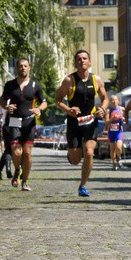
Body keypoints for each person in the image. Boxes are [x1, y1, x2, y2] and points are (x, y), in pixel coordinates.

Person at [55, 49, 108, 197]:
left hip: (90, 121)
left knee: (90, 152)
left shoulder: (96, 80)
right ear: (76, 63)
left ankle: (83, 185)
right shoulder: (69, 80)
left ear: (89, 61)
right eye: (79, 59)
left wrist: (102, 109)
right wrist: (68, 109)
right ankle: (72, 154)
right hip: (74, 122)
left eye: (85, 58)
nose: (82, 61)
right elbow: (58, 100)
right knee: (75, 160)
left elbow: (105, 98)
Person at [0, 58, 47, 191]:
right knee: (16, 151)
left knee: (27, 153)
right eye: (20, 66)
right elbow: (2, 99)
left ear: (29, 68)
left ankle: (25, 181)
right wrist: (6, 106)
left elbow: (44, 102)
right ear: (17, 68)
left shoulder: (35, 86)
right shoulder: (10, 85)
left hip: (29, 121)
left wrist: (39, 109)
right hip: (14, 121)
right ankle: (17, 170)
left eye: (25, 66)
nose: (23, 68)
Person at [105, 95, 125, 171]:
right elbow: (106, 122)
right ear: (110, 102)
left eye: (115, 99)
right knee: (112, 149)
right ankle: (114, 163)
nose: (114, 101)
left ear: (118, 100)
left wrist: (124, 119)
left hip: (119, 131)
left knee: (119, 147)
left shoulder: (122, 109)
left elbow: (125, 118)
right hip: (111, 132)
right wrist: (112, 118)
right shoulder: (108, 111)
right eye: (112, 100)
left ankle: (119, 158)